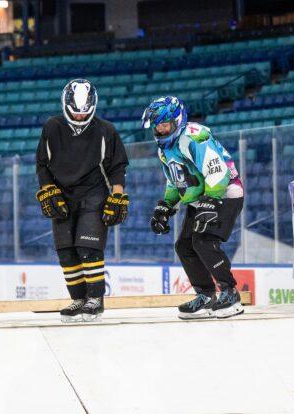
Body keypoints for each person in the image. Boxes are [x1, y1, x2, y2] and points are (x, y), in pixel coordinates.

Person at [142, 96, 244, 319]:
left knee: (204, 241)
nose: (160, 130)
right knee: (184, 246)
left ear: (177, 121)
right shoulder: (164, 150)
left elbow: (218, 171)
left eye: (164, 125)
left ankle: (230, 293)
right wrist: (166, 205)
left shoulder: (194, 136)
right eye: (157, 126)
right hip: (201, 198)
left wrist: (212, 200)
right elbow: (175, 181)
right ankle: (206, 296)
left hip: (225, 193)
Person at [36, 79, 129, 322]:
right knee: (66, 252)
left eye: (84, 114)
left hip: (94, 192)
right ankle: (78, 299)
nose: (79, 118)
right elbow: (42, 165)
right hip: (61, 193)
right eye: (75, 114)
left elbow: (118, 166)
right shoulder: (52, 127)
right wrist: (48, 189)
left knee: (88, 248)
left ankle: (95, 300)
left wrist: (117, 193)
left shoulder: (106, 130)